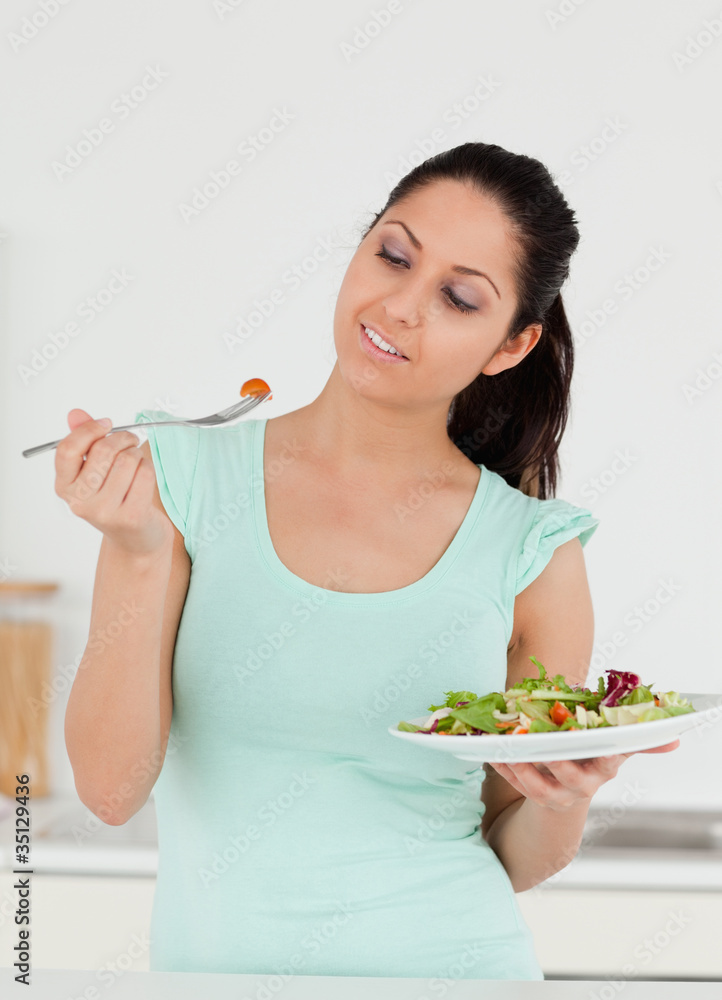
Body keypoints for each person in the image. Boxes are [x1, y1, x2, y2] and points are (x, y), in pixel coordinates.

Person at [57, 141, 679, 980]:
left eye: (459, 297)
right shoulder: (177, 480)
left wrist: (566, 796)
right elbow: (110, 791)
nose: (401, 306)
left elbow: (515, 852)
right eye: (393, 255)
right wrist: (138, 554)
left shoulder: (534, 552)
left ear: (510, 345)